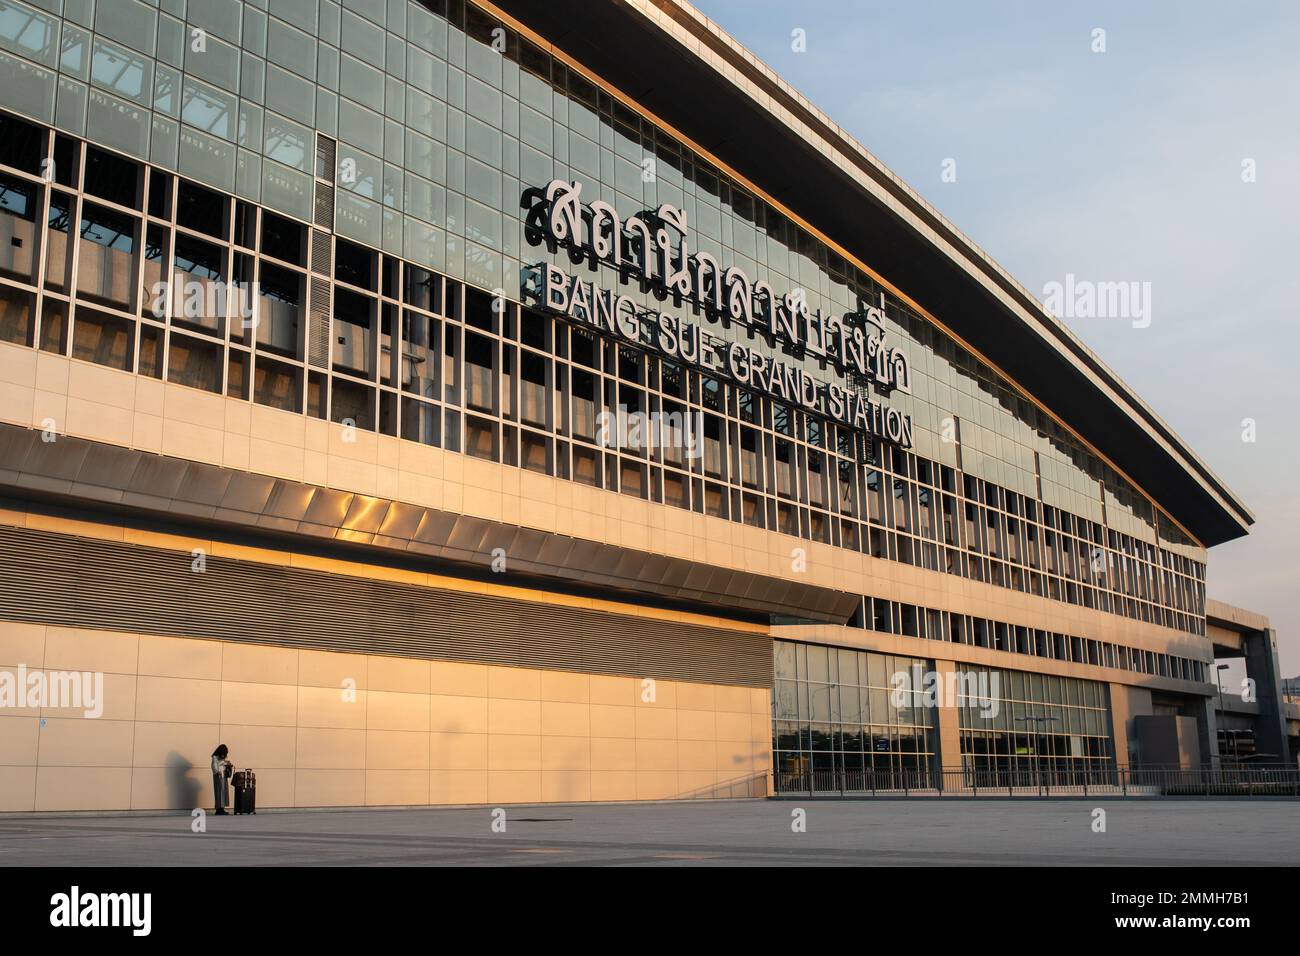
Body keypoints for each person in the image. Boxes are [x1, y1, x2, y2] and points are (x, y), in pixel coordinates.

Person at [211, 744, 232, 815]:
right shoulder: (215, 757)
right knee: (219, 791)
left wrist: (227, 764)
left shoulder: (220, 758)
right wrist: (223, 763)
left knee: (224, 791)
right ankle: (219, 808)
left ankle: (222, 808)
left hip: (223, 776)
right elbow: (215, 769)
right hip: (218, 776)